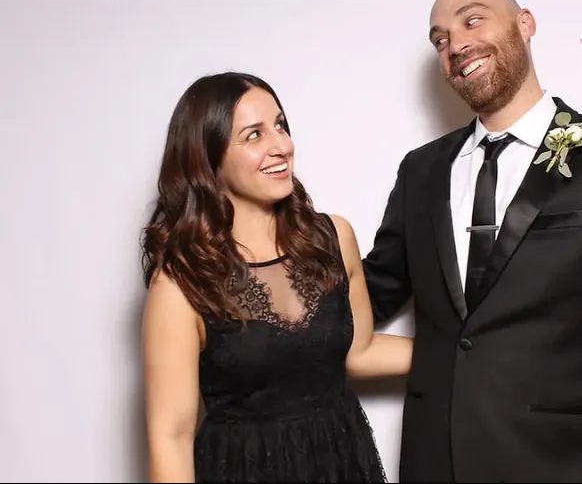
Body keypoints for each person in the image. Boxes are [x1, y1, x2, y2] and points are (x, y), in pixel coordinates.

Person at [362, 0, 582, 483]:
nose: (455, 45)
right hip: (435, 464)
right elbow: (368, 295)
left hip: (564, 466)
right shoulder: (420, 172)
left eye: (472, 21)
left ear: (525, 24)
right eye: (440, 40)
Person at [140, 71, 410, 483]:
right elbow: (171, 437)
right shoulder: (180, 284)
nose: (281, 145)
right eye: (254, 135)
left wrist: (471, 354)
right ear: (208, 158)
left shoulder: (334, 237)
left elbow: (361, 353)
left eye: (280, 125)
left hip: (342, 463)